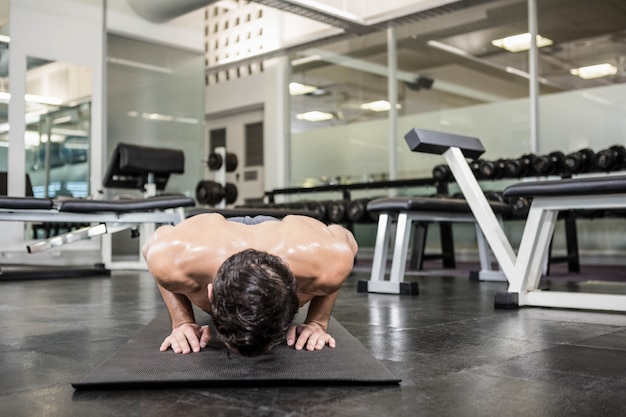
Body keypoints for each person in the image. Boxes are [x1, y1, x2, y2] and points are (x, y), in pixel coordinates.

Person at [142, 213, 359, 357]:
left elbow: (347, 240)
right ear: (210, 291)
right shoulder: (173, 258)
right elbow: (151, 243)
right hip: (210, 239)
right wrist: (181, 322)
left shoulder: (329, 261)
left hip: (287, 237)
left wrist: (317, 322)